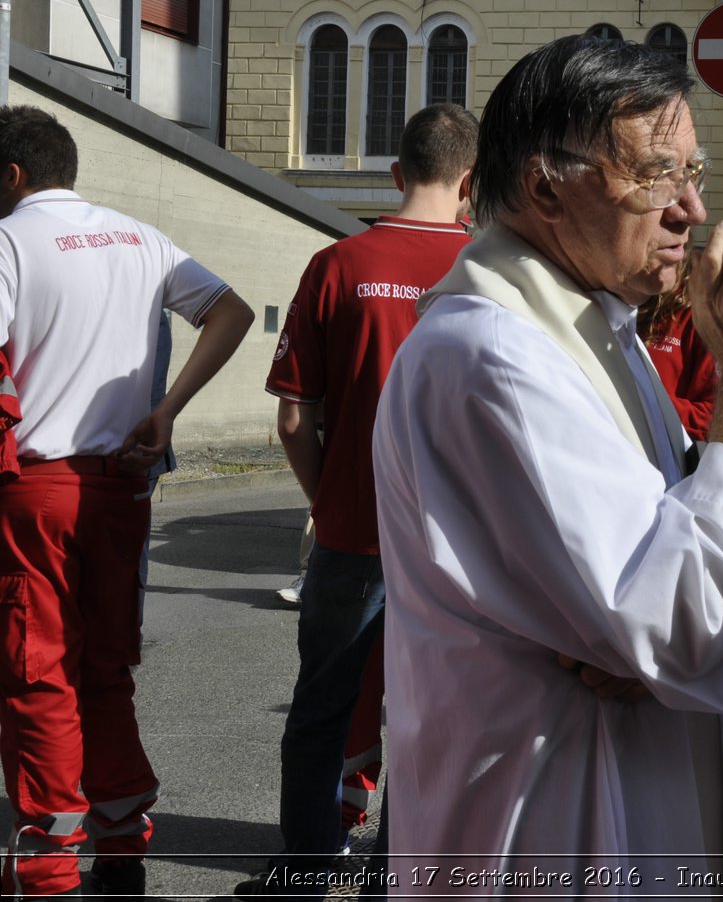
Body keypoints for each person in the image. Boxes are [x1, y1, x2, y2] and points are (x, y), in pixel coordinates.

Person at [370, 36, 723, 891]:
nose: (689, 207)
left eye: (696, 172)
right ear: (545, 185)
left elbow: (668, 603)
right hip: (556, 824)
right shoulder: (494, 354)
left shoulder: (594, 328)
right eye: (655, 176)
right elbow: (697, 622)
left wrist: (648, 652)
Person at [0, 105, 254, 898]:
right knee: (104, 667)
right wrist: (167, 407)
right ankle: (119, 846)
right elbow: (231, 310)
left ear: (11, 175)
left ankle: (45, 865)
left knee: (36, 670)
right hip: (120, 487)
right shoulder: (137, 235)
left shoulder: (9, 240)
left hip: (34, 491)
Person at [236, 104, 476, 896]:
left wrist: (328, 496)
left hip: (352, 533)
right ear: (470, 182)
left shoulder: (337, 264)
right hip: (455, 547)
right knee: (430, 722)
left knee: (321, 712)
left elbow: (293, 417)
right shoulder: (492, 270)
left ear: (397, 172)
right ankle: (398, 876)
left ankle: (305, 870)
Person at [639, 253, 717, 442]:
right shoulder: (612, 303)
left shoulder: (699, 318)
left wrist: (643, 405)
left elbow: (712, 415)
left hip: (662, 454)